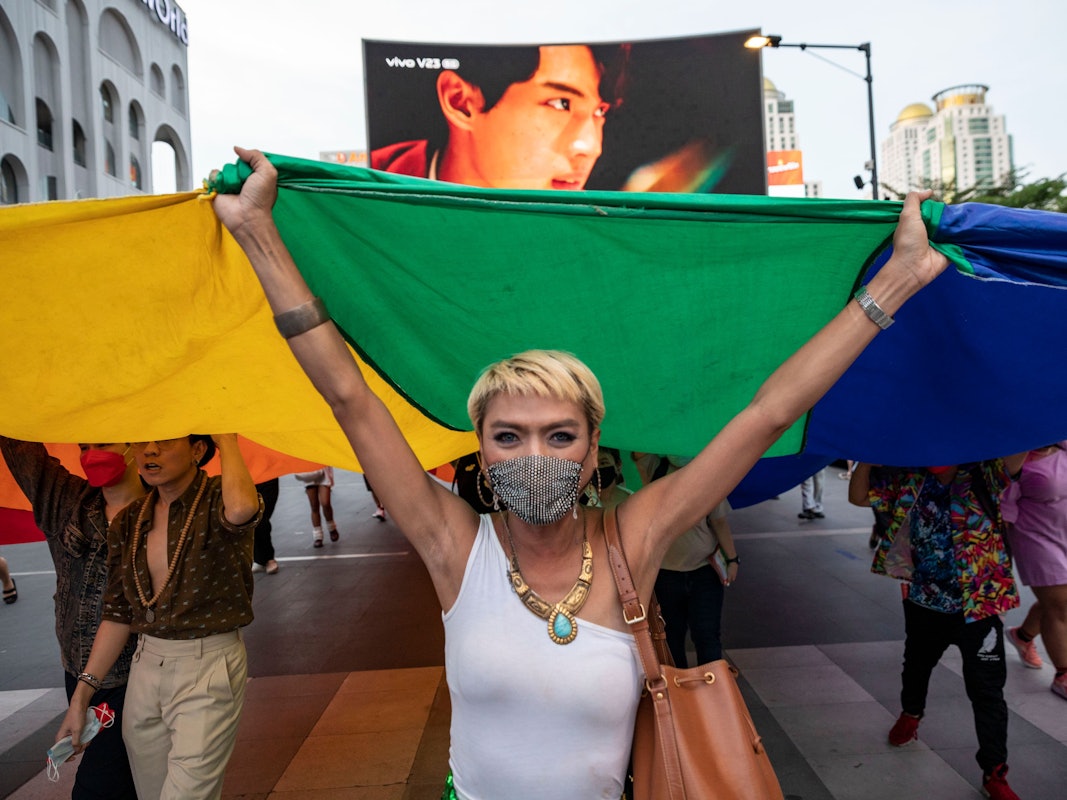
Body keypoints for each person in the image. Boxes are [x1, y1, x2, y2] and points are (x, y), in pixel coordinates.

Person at [213, 147, 946, 798]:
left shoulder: (634, 538)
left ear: (593, 449)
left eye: (558, 435)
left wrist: (898, 283)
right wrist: (257, 232)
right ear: (480, 450)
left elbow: (764, 413)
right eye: (508, 435)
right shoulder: (454, 548)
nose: (534, 456)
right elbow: (349, 397)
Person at [57, 434, 261, 800]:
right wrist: (81, 698)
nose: (149, 451)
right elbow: (117, 613)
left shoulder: (220, 498)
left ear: (198, 449)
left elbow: (243, 510)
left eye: (164, 441)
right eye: (140, 442)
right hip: (145, 667)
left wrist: (226, 437)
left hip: (207, 663)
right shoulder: (130, 520)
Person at [850, 458, 1027, 800]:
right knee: (916, 666)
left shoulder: (983, 472)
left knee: (987, 690)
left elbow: (1015, 455)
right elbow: (859, 498)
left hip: (980, 605)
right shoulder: (908, 476)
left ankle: (994, 772)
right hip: (925, 602)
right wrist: (865, 461)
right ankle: (911, 713)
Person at [0, 436, 143, 798]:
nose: (91, 456)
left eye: (104, 444)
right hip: (78, 671)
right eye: (83, 446)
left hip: (140, 676)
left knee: (102, 786)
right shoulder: (65, 502)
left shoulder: (161, 512)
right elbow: (19, 444)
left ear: (135, 446)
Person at [371, 44, 625, 191]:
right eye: (561, 104)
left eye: (600, 111)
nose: (592, 147)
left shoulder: (609, 225)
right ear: (460, 102)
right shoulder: (359, 188)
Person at [999, 443, 1067, 699]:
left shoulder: (1062, 447)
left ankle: (1023, 636)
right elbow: (1004, 509)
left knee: (1059, 600)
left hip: (1064, 533)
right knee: (1059, 605)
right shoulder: (1018, 458)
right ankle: (1063, 674)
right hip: (1037, 540)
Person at [295, 466, 338, 547]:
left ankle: (331, 528)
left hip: (323, 472)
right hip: (308, 473)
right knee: (314, 506)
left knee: (325, 503)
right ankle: (318, 536)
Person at [252, 477, 280, 574]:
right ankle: (260, 559)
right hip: (248, 480)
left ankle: (267, 558)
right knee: (253, 518)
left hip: (268, 479)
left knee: (262, 518)